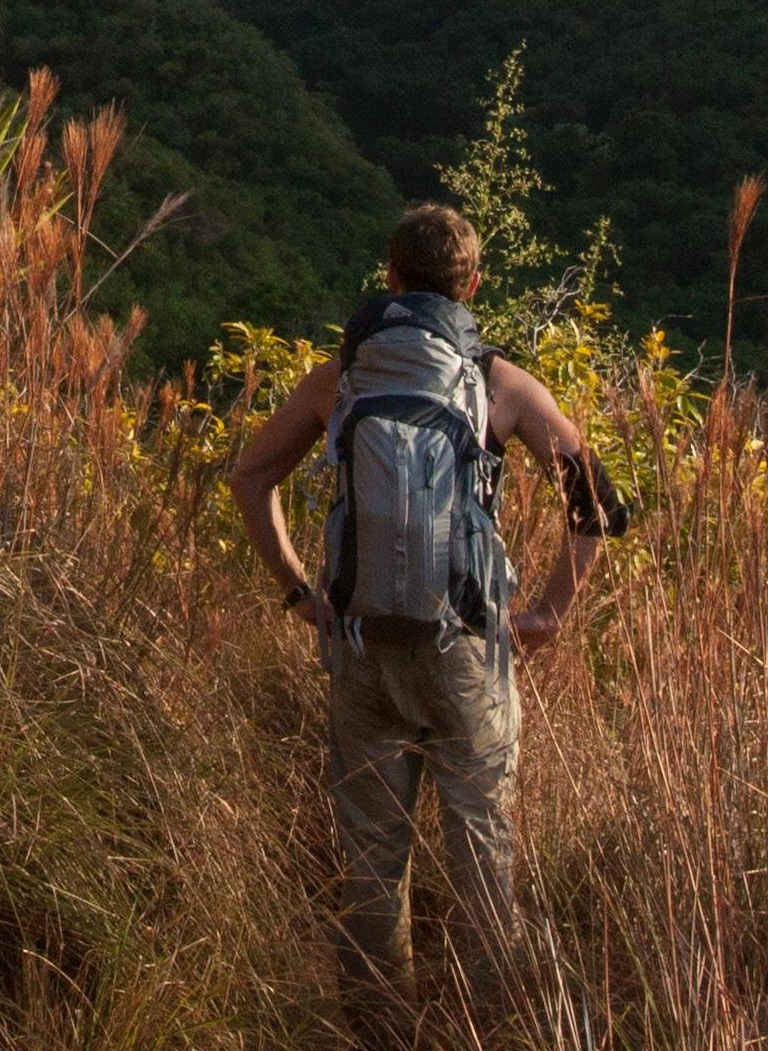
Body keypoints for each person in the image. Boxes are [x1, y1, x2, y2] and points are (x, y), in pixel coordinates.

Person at [220, 203, 623, 988]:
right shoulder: (499, 383)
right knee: (482, 860)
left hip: (362, 645)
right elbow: (598, 507)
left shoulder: (344, 376)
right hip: (467, 648)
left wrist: (302, 593)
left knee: (371, 864)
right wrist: (545, 615)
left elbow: (250, 477)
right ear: (472, 286)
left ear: (393, 277)